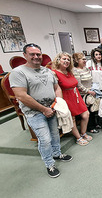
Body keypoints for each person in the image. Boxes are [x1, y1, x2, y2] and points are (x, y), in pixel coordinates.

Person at [10, 43, 72, 178]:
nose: (36, 57)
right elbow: (21, 95)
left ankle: (57, 153)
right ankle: (49, 163)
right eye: (32, 54)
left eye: (38, 54)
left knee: (55, 134)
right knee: (45, 139)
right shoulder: (18, 72)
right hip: (34, 112)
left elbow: (57, 88)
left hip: (52, 109)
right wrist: (44, 109)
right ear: (25, 55)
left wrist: (57, 104)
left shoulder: (48, 71)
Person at [52, 52, 92, 146]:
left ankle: (83, 133)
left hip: (76, 95)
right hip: (65, 97)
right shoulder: (54, 73)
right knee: (72, 118)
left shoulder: (70, 71)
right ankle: (78, 137)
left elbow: (76, 84)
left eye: (68, 59)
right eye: (64, 59)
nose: (66, 61)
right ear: (58, 60)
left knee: (86, 114)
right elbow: (55, 88)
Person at [72, 52, 100, 134]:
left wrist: (93, 89)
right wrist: (88, 91)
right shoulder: (75, 70)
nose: (85, 61)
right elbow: (78, 84)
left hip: (90, 93)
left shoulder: (86, 69)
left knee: (92, 110)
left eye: (85, 59)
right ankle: (89, 128)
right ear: (77, 60)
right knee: (86, 112)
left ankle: (93, 125)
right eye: (83, 59)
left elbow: (90, 81)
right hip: (82, 95)